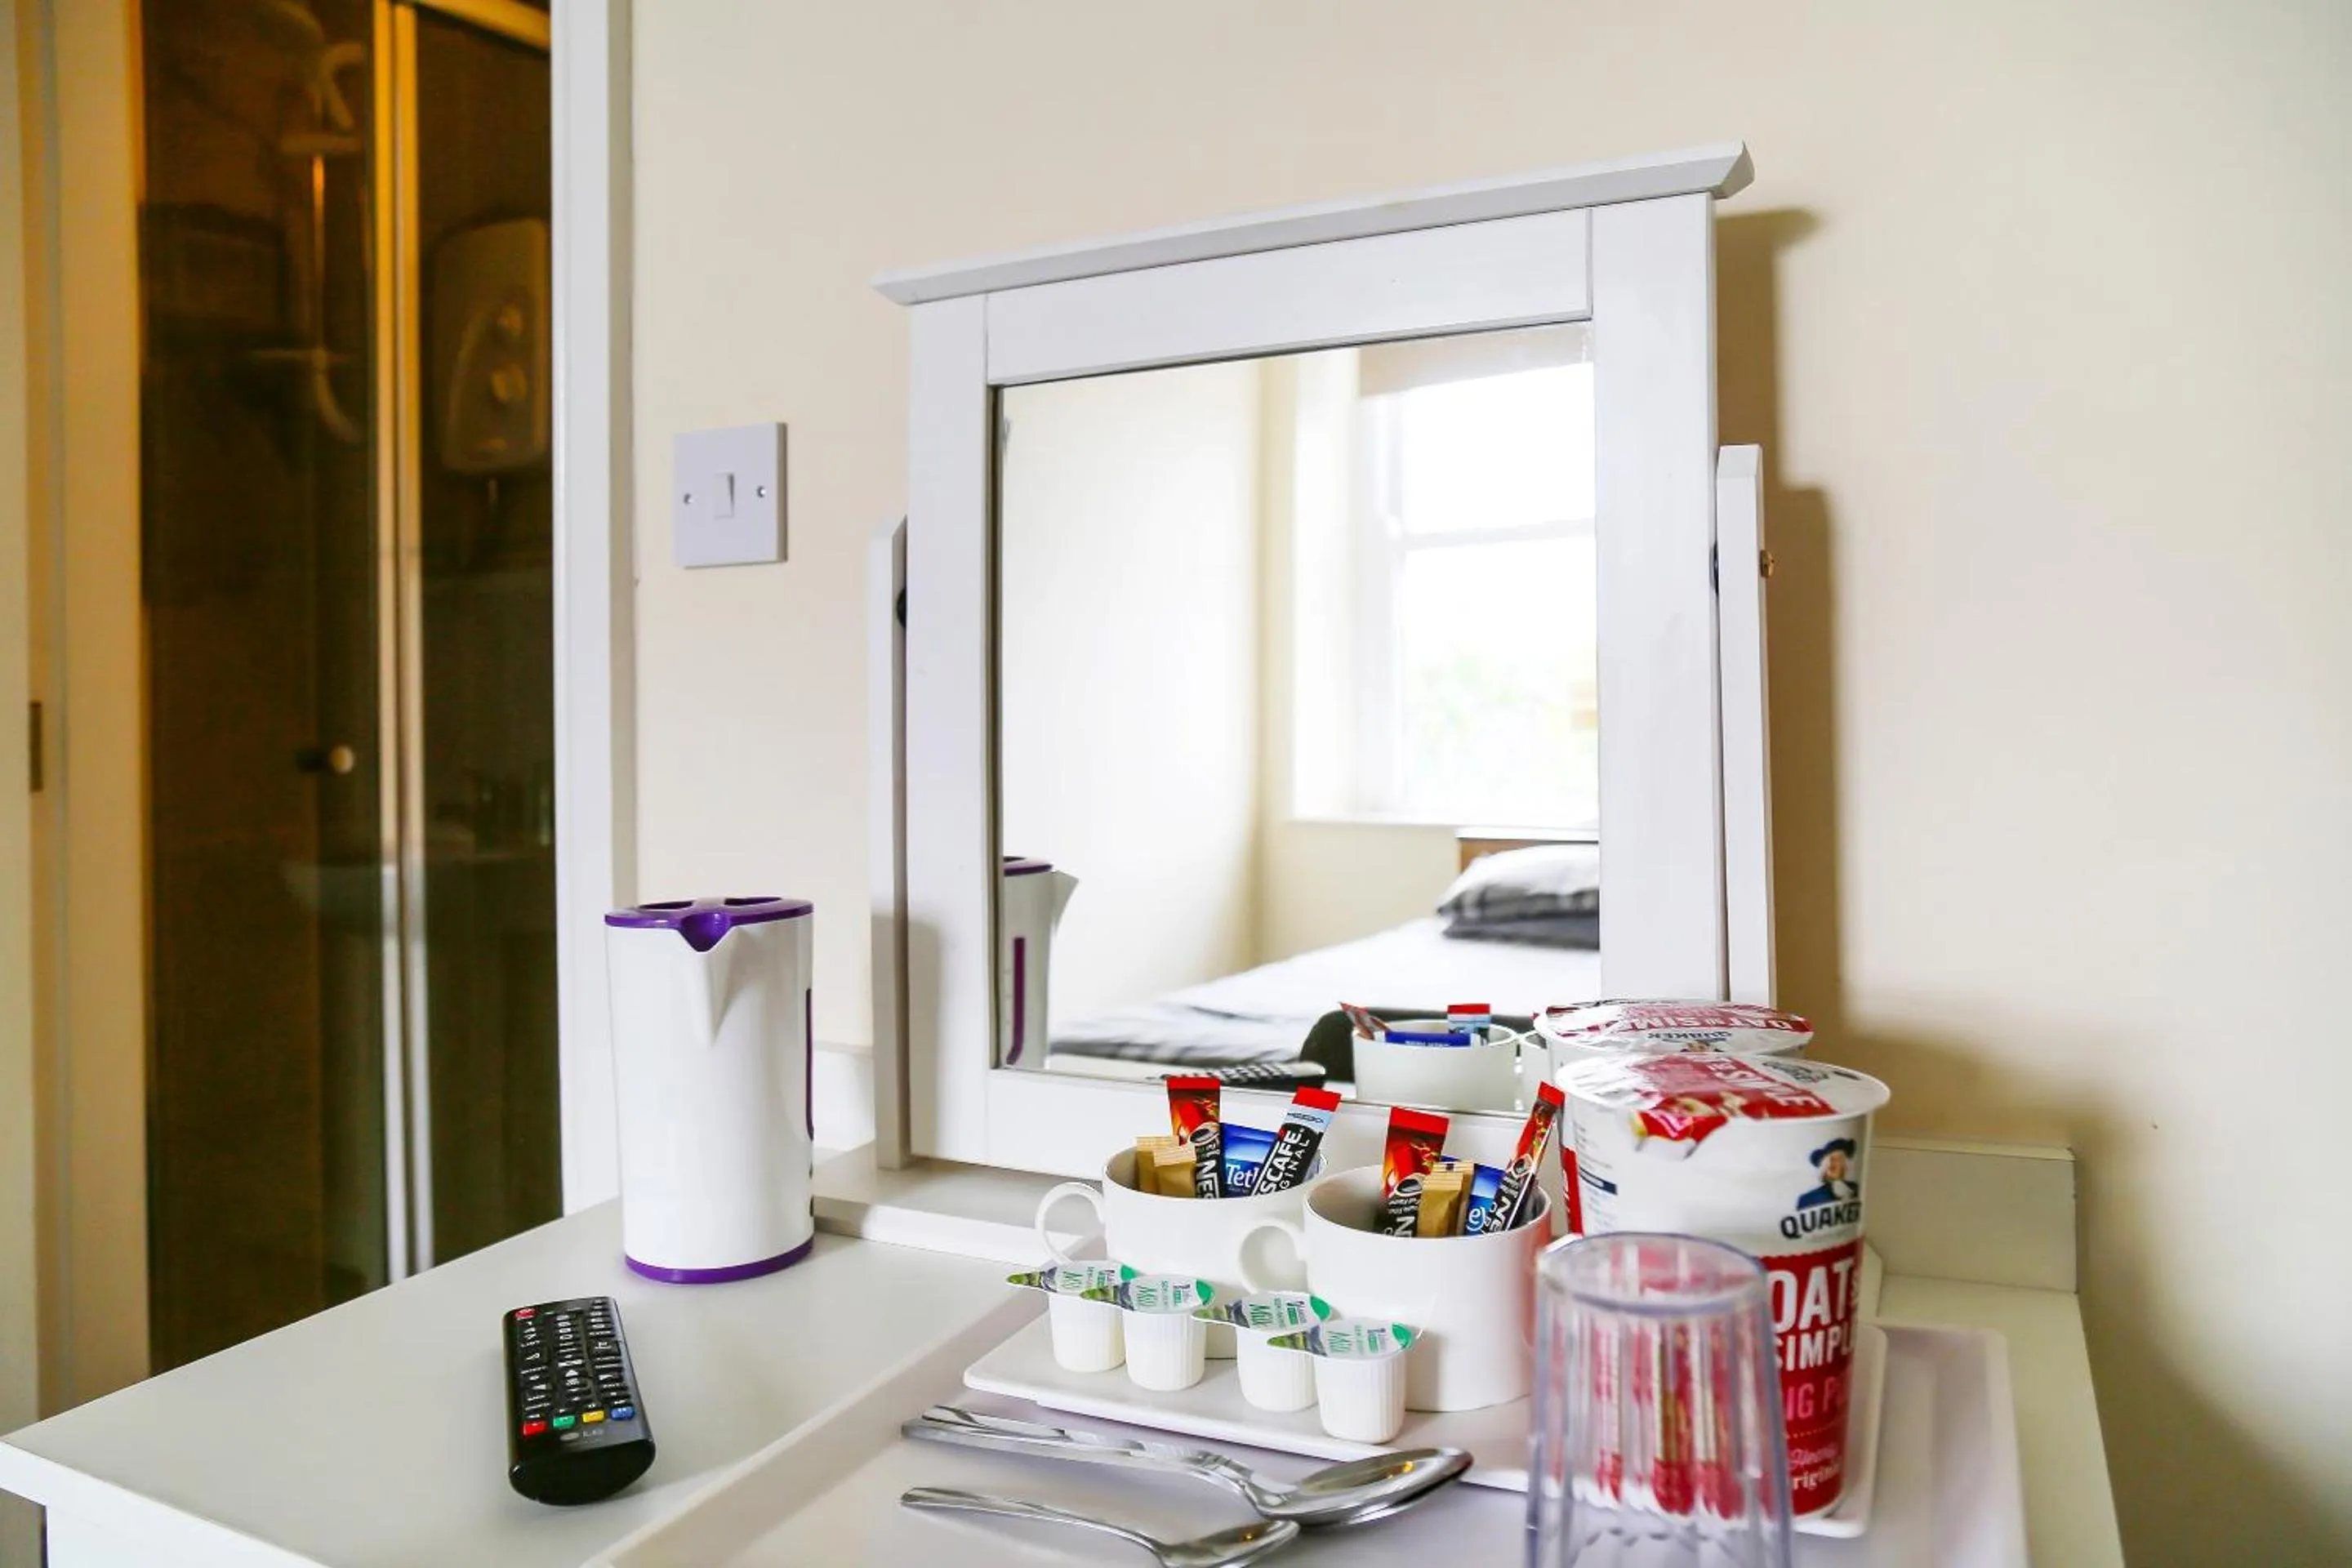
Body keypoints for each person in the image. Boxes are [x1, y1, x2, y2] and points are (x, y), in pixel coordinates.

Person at [1797, 1137, 1860, 1209]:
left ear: (1845, 1164)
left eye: (1836, 1159)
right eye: (1827, 1161)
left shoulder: (1856, 1189)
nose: (1831, 1165)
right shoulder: (1807, 1199)